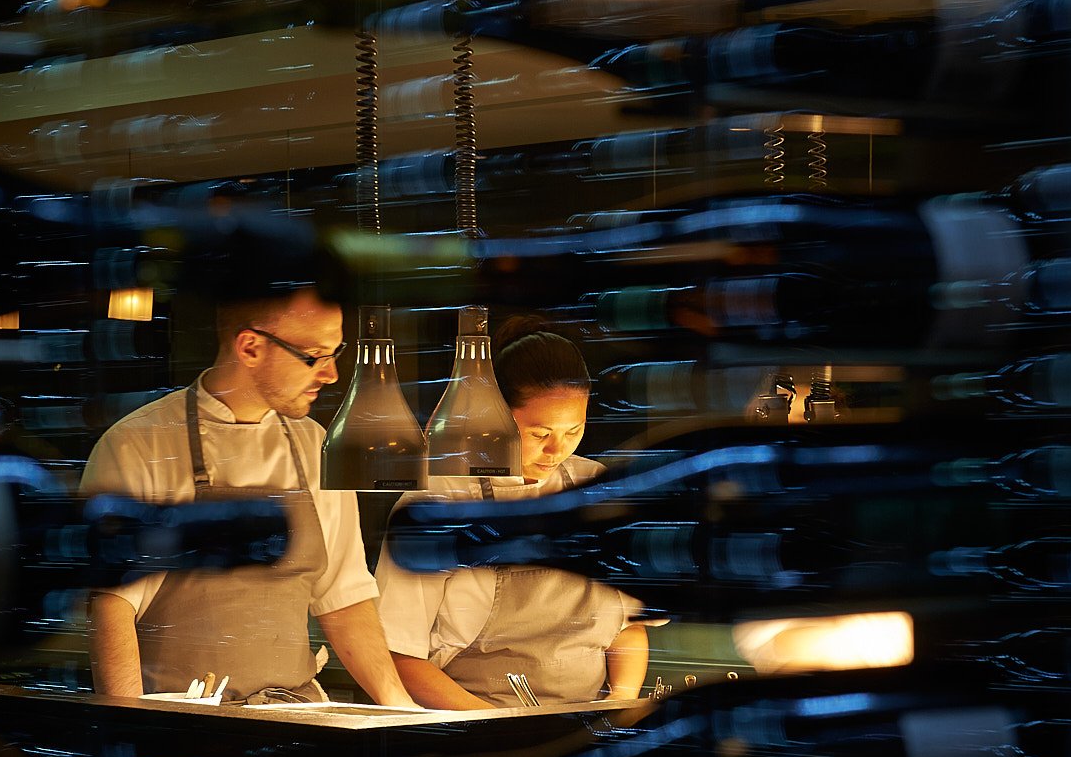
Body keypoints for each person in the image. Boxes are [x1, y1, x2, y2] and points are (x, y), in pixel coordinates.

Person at [80, 287, 418, 708]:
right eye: (315, 356)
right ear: (251, 348)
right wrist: (132, 722)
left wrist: (400, 707)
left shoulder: (315, 446)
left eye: (336, 353)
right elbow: (110, 607)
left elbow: (344, 598)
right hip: (183, 721)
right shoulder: (138, 446)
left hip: (298, 714)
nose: (331, 374)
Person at [376, 317, 650, 709]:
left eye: (574, 431)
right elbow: (398, 656)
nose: (557, 450)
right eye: (540, 434)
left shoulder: (601, 490)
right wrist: (499, 725)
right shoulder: (443, 503)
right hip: (472, 727)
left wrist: (619, 703)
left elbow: (628, 628)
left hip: (586, 726)